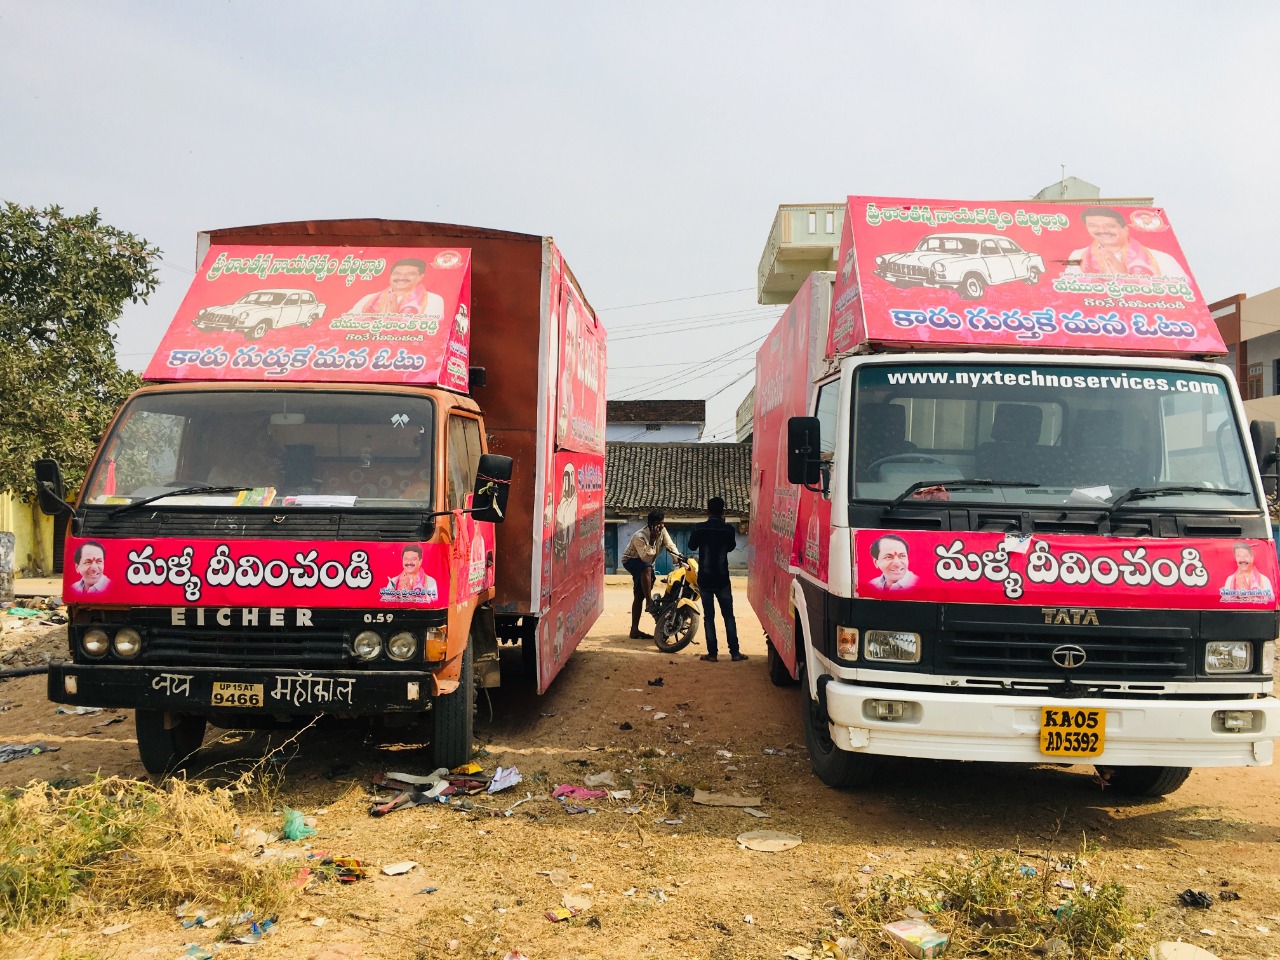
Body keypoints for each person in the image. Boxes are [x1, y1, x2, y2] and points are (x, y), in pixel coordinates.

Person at [688, 496, 745, 662]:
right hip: (722, 580)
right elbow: (731, 547)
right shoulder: (728, 530)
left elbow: (691, 546)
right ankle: (735, 653)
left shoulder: (699, 529)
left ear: (707, 511)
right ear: (723, 512)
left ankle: (712, 654)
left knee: (709, 617)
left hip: (705, 579)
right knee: (729, 616)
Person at [1064, 207, 1187, 278]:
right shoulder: (1078, 255)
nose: (1102, 231)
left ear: (1125, 229)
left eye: (1109, 226)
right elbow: (1068, 289)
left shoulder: (1160, 258)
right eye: (1092, 225)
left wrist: (1126, 280)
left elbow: (1185, 295)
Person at [620, 509, 679, 639]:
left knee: (639, 594)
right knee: (646, 570)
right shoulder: (639, 536)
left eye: (662, 523)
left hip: (645, 564)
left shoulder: (663, 531)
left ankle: (634, 630)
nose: (661, 526)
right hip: (631, 560)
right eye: (658, 523)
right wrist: (652, 540)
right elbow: (645, 558)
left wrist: (678, 559)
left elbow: (670, 546)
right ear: (651, 524)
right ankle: (649, 602)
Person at [351, 257, 440, 316]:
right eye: (397, 274)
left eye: (409, 274)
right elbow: (347, 323)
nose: (401, 278)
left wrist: (391, 318)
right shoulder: (369, 299)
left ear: (420, 277)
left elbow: (431, 330)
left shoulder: (433, 300)